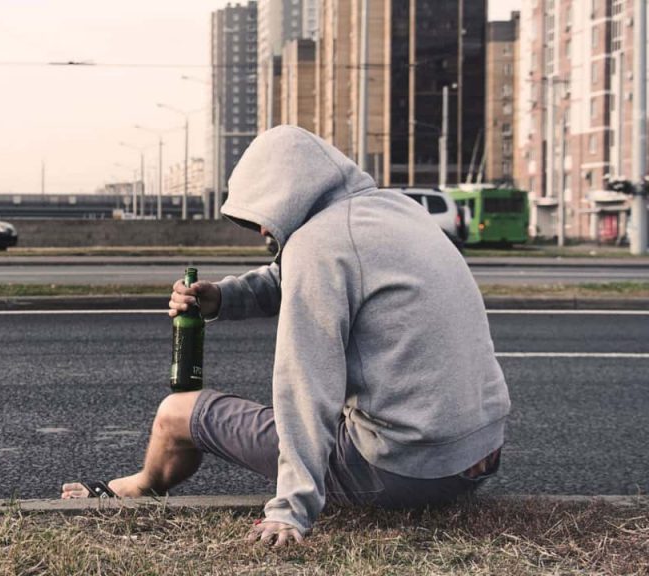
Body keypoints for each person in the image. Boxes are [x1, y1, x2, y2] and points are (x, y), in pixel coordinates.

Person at [61, 126, 511, 547]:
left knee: (176, 413)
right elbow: (289, 276)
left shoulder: (319, 245)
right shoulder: (396, 211)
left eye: (266, 212)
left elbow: (306, 385)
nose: (262, 230)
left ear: (291, 195)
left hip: (405, 472)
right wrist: (221, 297)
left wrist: (291, 509)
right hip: (479, 456)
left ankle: (138, 487)